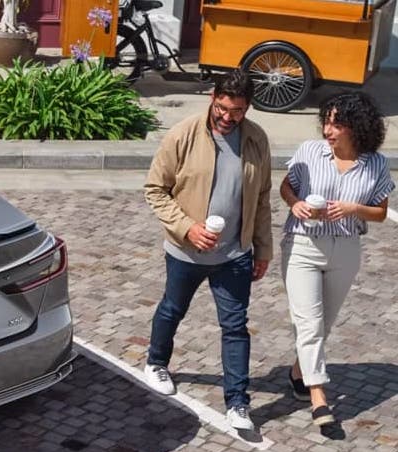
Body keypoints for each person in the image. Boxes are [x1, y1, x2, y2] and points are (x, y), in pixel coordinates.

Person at [141, 70, 273, 432]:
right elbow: (155, 190)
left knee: (235, 326)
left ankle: (238, 403)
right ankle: (156, 362)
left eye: (238, 111)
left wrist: (262, 248)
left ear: (247, 108)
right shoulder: (183, 134)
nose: (228, 117)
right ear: (213, 98)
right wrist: (188, 228)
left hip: (234, 255)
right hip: (186, 252)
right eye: (223, 108)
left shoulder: (256, 139)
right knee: (173, 308)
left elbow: (262, 198)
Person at [280, 91, 392, 429]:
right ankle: (319, 398)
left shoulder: (376, 164)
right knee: (309, 324)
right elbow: (287, 187)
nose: (328, 130)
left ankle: (299, 373)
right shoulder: (310, 152)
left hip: (345, 248)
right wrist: (295, 204)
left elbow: (380, 213)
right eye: (326, 122)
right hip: (303, 244)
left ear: (357, 126)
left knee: (324, 324)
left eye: (337, 124)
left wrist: (353, 208)